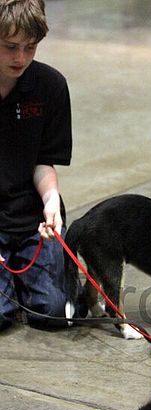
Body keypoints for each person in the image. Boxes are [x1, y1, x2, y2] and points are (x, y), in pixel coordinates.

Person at [0, 0, 72, 331]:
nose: (21, 58)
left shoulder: (50, 86)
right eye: (10, 47)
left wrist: (51, 200)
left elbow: (43, 161)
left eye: (30, 48)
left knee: (54, 311)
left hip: (31, 218)